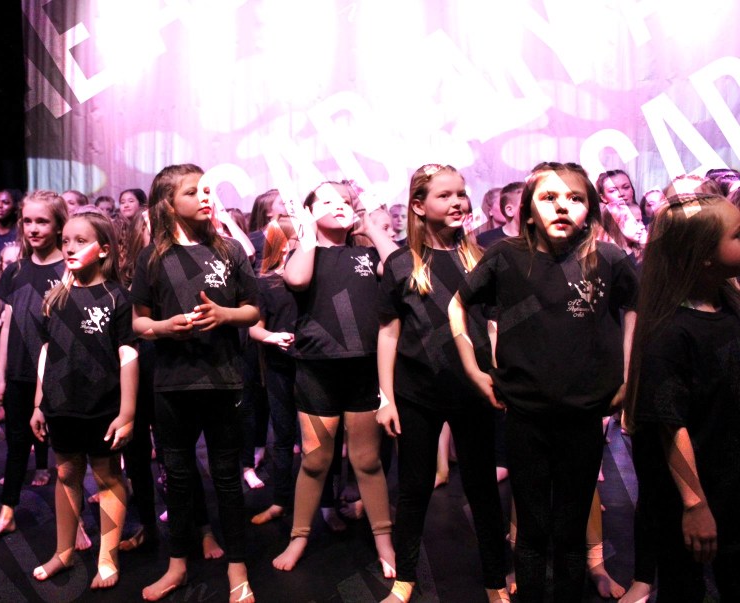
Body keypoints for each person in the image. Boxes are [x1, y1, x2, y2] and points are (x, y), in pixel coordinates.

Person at [450, 162, 638, 603]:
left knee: (571, 527)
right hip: (525, 413)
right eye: (549, 197)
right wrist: (474, 370)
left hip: (584, 414)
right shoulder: (505, 256)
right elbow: (459, 305)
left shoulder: (608, 259)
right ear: (529, 210)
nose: (562, 207)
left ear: (590, 209)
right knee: (532, 527)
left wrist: (629, 374)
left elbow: (635, 308)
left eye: (575, 198)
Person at [377, 164, 508, 603]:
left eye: (461, 194)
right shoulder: (401, 264)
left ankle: (495, 581)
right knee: (413, 490)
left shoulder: (483, 259)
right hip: (417, 395)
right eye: (445, 195)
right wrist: (386, 398)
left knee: (483, 490)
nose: (457, 202)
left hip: (474, 393)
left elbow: (493, 323)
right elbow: (388, 332)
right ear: (418, 206)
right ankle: (404, 579)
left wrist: (498, 375)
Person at [130, 164, 259, 602]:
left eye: (207, 190)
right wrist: (164, 327)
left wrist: (224, 315)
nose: (206, 197)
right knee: (179, 477)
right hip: (172, 383)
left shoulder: (229, 250)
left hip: (224, 379)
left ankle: (238, 568)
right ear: (168, 204)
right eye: (193, 191)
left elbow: (252, 310)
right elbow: (139, 321)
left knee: (227, 476)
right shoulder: (152, 258)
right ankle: (177, 565)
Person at [273, 181, 398, 578]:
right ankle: (299, 537)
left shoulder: (366, 254)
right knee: (315, 461)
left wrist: (371, 225)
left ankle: (384, 540)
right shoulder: (304, 254)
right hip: (317, 371)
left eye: (345, 201)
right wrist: (307, 234)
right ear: (309, 212)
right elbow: (296, 280)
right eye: (327, 201)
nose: (340, 205)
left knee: (367, 461)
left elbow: (399, 269)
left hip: (363, 370)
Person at [624, 193, 740, 602]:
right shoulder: (672, 333)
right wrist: (695, 505)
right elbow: (670, 425)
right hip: (695, 493)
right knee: (683, 586)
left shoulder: (729, 309)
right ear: (704, 256)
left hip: (730, 482)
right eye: (738, 234)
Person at [29, 212, 137, 590]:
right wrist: (39, 403)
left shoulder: (117, 297)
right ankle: (64, 552)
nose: (69, 248)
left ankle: (107, 556)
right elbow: (47, 351)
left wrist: (127, 412)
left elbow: (128, 353)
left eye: (80, 241)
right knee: (65, 473)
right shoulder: (56, 297)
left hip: (102, 405)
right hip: (62, 404)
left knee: (107, 476)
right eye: (66, 241)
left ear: (103, 249)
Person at [0, 190, 69, 542]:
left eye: (42, 221)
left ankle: (72, 523)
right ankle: (7, 513)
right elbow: (7, 324)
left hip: (57, 374)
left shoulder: (68, 269)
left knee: (65, 450)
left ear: (58, 225)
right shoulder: (15, 270)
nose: (33, 228)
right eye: (28, 221)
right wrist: (1, 374)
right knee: (17, 444)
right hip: (19, 370)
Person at [249, 217, 300, 526]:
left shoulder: (310, 278)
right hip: (280, 367)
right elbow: (255, 328)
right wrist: (273, 337)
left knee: (320, 442)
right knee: (283, 437)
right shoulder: (265, 282)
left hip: (312, 366)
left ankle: (326, 505)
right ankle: (281, 501)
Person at [475, 182, 525, 248]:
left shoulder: (531, 236)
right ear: (490, 210)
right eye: (501, 204)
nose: (504, 208)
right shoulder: (483, 239)